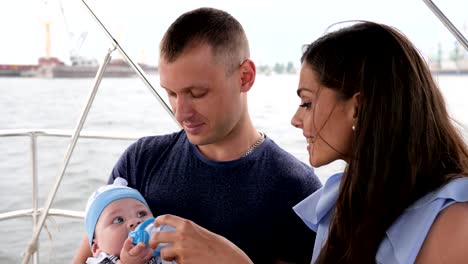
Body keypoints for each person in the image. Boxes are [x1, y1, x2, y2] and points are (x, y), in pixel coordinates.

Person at [149, 21, 468, 263]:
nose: (296, 120)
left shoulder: (455, 221)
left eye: (307, 103)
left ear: (357, 107)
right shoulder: (342, 199)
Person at [73, 7, 322, 264]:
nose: (181, 113)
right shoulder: (141, 161)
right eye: (171, 93)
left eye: (196, 93)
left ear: (244, 77)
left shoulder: (295, 188)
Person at [84, 177, 156, 264]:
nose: (135, 221)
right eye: (119, 220)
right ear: (97, 248)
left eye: (141, 214)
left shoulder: (163, 247)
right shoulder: (103, 261)